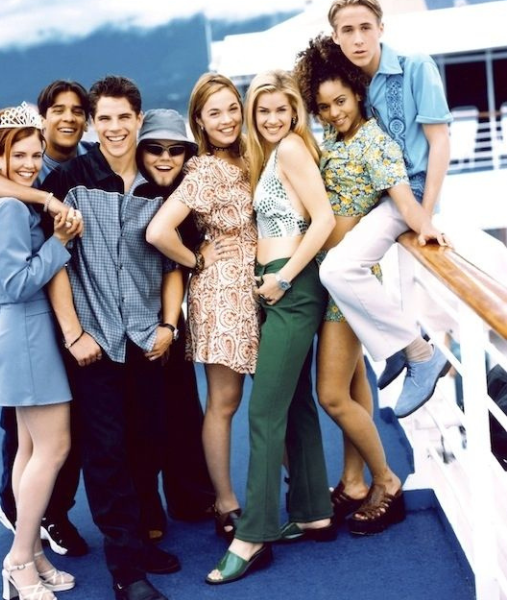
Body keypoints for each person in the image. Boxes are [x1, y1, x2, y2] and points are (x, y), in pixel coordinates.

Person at [42, 75, 180, 600]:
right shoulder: (68, 181)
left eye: (125, 117)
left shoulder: (160, 184)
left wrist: (167, 326)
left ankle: (140, 544)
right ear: (93, 125)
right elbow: (56, 260)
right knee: (106, 454)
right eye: (105, 118)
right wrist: (73, 333)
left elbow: (172, 262)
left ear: (138, 120)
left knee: (146, 445)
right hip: (93, 341)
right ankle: (126, 571)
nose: (115, 127)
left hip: (146, 339)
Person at [294, 34, 435, 533]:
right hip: (326, 280)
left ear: (357, 93)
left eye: (341, 101)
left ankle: (387, 481)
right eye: (324, 106)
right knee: (353, 390)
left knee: (331, 395)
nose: (334, 113)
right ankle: (353, 482)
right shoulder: (333, 139)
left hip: (345, 287)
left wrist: (424, 224)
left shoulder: (374, 140)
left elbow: (400, 194)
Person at [204, 70, 336, 585]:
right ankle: (312, 511)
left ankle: (253, 533)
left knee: (262, 414)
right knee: (295, 401)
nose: (272, 119)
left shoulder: (294, 151)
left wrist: (282, 277)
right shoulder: (273, 157)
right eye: (263, 112)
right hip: (276, 288)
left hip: (292, 290)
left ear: (294, 112)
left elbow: (321, 220)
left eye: (281, 110)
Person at [0, 80, 91, 557]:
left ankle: (31, 553)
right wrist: (59, 243)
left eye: (35, 156)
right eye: (19, 156)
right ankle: (20, 558)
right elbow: (15, 285)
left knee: (29, 451)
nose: (30, 165)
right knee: (53, 449)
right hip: (32, 333)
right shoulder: (13, 208)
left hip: (18, 334)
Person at [314, 0, 452, 418]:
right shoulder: (352, 82)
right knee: (338, 266)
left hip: (407, 197)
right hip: (381, 199)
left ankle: (419, 353)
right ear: (336, 36)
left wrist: (423, 217)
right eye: (348, 31)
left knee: (337, 269)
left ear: (380, 28)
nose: (358, 38)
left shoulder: (417, 68)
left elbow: (440, 143)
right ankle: (394, 346)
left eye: (365, 28)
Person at [146, 73, 260, 543]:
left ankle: (297, 490)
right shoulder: (205, 170)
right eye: (215, 112)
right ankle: (227, 503)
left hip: (259, 286)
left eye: (233, 107)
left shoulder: (253, 158)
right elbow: (158, 231)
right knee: (225, 402)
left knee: (277, 395)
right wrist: (195, 260)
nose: (228, 118)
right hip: (222, 294)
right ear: (200, 121)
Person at [136, 109, 216, 539]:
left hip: (169, 315)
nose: (165, 157)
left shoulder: (187, 193)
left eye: (175, 149)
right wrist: (198, 260)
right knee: (142, 420)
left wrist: (169, 324)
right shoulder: (127, 189)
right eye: (154, 148)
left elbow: (175, 267)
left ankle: (191, 496)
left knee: (184, 408)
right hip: (125, 321)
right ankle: (148, 511)